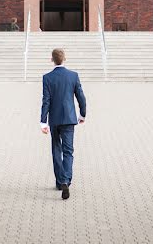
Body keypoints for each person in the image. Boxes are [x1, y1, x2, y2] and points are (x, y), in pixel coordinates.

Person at [40, 48, 86, 200]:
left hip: (54, 120)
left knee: (56, 149)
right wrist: (82, 114)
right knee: (68, 151)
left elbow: (46, 100)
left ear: (51, 59)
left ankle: (60, 182)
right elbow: (81, 97)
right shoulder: (73, 76)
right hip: (69, 119)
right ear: (64, 58)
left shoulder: (47, 78)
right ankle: (66, 179)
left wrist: (43, 121)